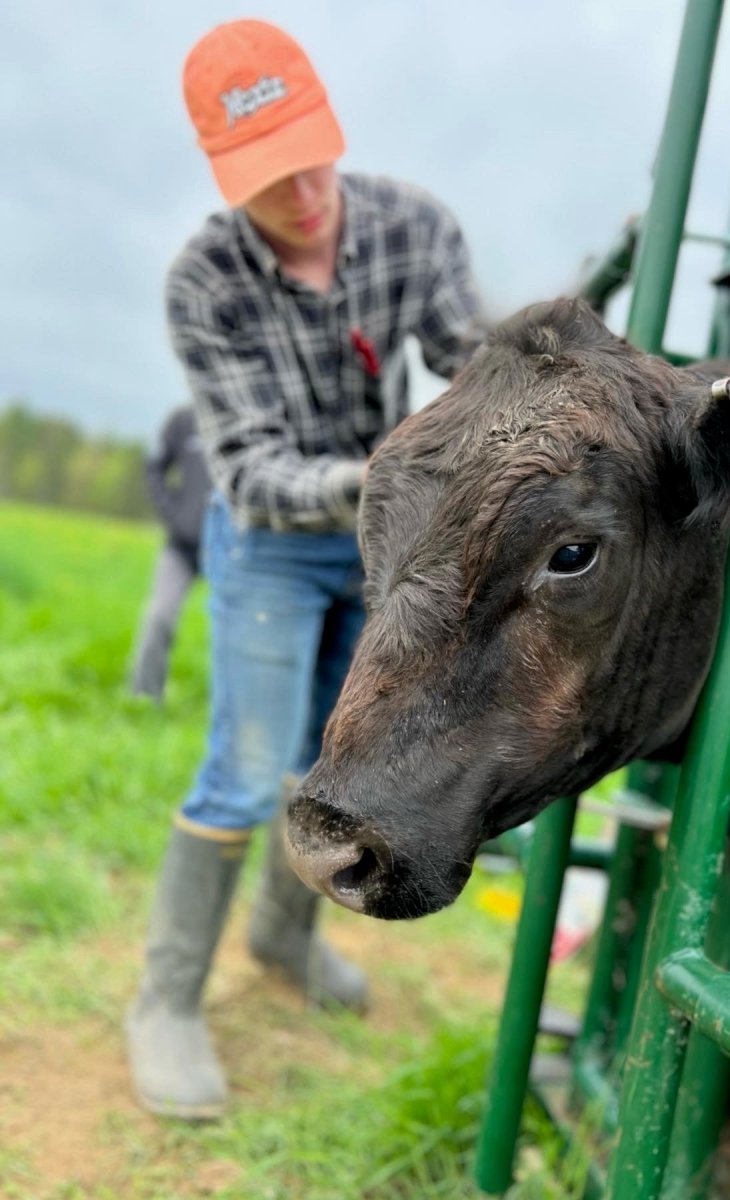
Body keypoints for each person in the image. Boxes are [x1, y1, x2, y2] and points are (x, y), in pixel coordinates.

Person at [126, 18, 483, 1119]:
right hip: (273, 548)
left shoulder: (413, 228)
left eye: (310, 151)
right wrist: (392, 475)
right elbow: (249, 471)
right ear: (226, 174)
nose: (303, 189)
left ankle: (285, 943)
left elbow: (477, 369)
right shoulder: (206, 283)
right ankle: (168, 1001)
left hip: (378, 553)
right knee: (242, 770)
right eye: (269, 175)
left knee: (340, 764)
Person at [129, 405, 212, 701]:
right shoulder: (183, 421)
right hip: (181, 547)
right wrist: (175, 515)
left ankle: (230, 714)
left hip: (230, 553)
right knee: (158, 616)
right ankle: (143, 697)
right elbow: (153, 468)